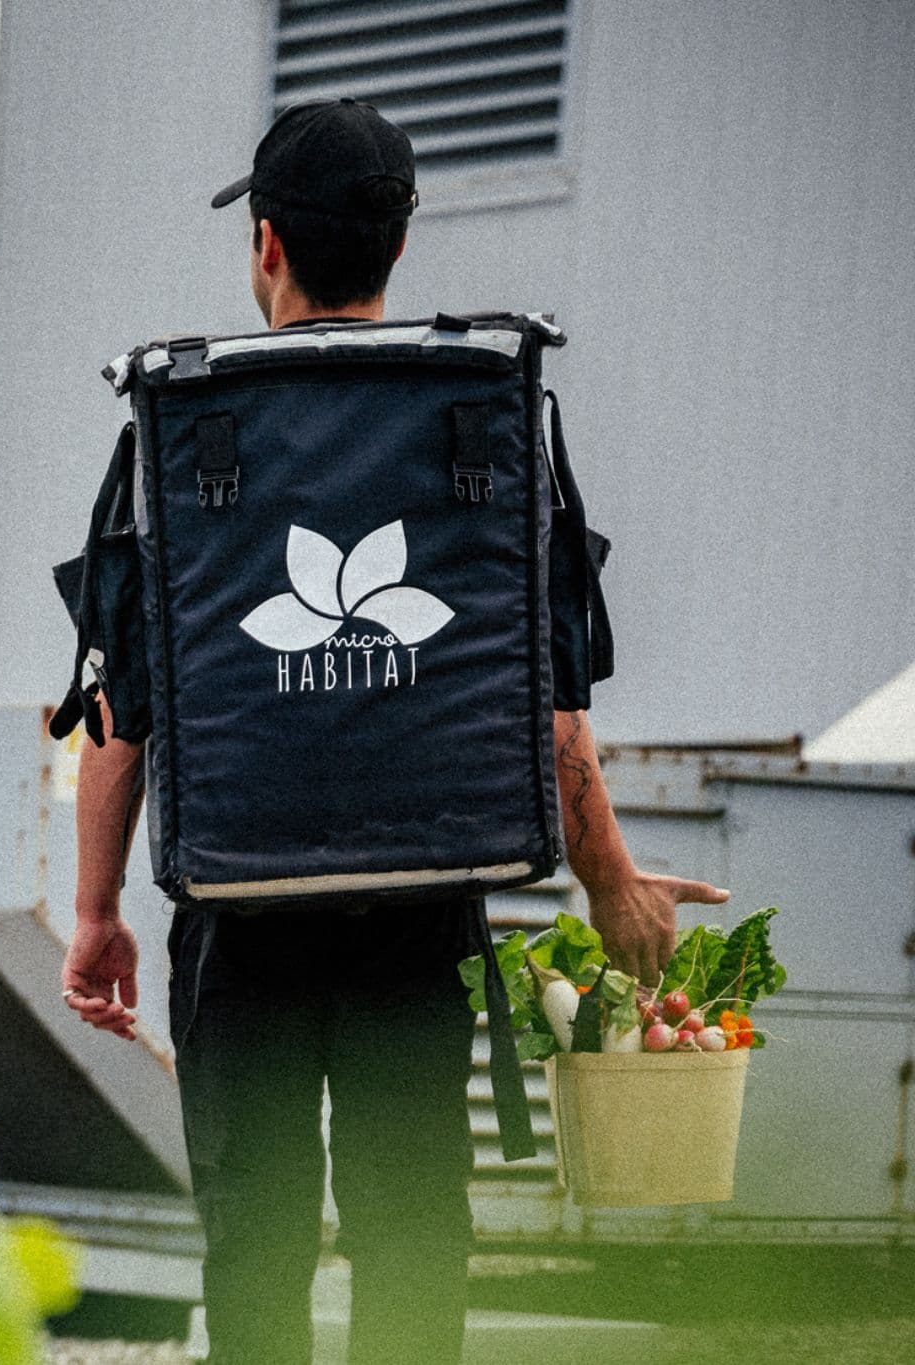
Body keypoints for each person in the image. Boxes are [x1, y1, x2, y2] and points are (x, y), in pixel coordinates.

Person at [56, 98, 731, 1364]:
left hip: (235, 915)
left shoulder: (183, 425)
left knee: (251, 1239)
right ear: (396, 250)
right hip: (420, 905)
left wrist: (94, 915)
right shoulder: (477, 408)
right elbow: (545, 694)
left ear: (266, 245)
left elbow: (119, 708)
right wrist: (611, 882)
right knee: (415, 1230)